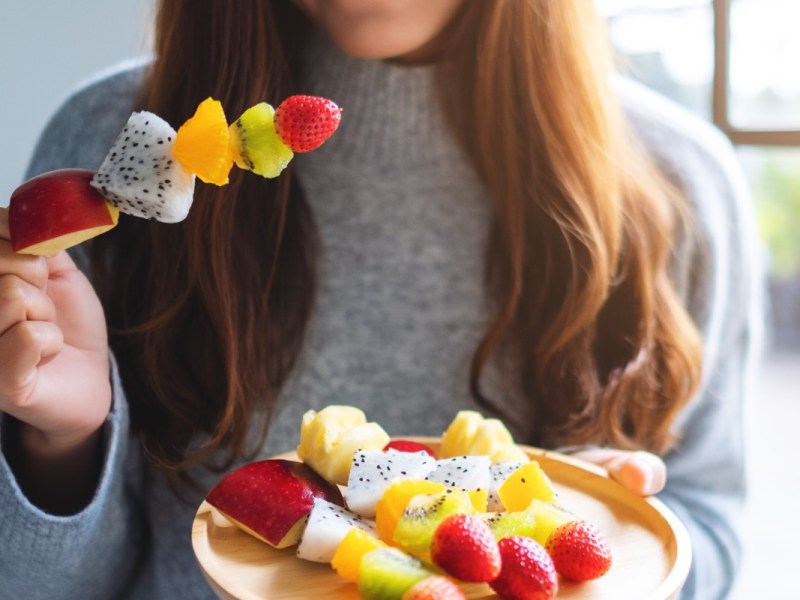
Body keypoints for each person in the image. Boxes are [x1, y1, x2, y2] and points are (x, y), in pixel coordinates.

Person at [0, 1, 763, 598]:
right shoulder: (105, 140)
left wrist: (614, 544)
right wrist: (62, 443)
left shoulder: (681, 179)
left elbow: (713, 529)